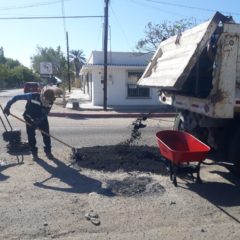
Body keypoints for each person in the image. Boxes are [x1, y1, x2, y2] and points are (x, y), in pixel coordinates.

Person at [3, 88, 56, 160]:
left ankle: (48, 152)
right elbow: (16, 97)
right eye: (47, 99)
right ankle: (34, 153)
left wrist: (37, 121)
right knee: (31, 136)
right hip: (29, 117)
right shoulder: (32, 96)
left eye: (50, 100)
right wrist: (7, 106)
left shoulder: (51, 101)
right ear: (43, 97)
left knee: (46, 135)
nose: (49, 101)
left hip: (41, 119)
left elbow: (45, 114)